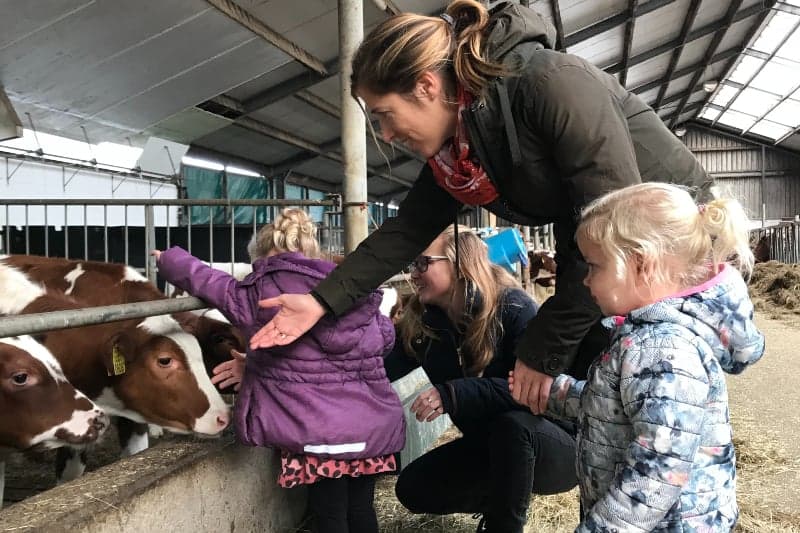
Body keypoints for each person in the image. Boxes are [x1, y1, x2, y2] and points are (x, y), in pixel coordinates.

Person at [249, 0, 714, 419]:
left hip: (668, 255)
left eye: (384, 114)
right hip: (613, 271)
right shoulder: (463, 151)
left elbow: (611, 233)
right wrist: (319, 301)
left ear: (426, 86)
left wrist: (541, 351)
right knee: (607, 400)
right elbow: (407, 230)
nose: (385, 135)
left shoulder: (550, 86)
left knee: (657, 403)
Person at [508, 183, 765, 531]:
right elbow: (620, 407)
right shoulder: (644, 337)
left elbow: (658, 468)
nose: (585, 281)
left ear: (642, 265)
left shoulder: (662, 350)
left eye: (595, 266)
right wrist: (559, 393)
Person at [152, 208, 406, 533]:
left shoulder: (258, 293)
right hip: (370, 428)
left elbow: (205, 279)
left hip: (318, 434)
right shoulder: (347, 290)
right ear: (314, 252)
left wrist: (167, 259)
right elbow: (383, 340)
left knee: (329, 513)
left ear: (260, 254)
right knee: (360, 507)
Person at [384, 226, 578, 533]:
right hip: (488, 447)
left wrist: (453, 394)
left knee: (512, 426)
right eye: (411, 265)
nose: (413, 274)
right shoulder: (427, 324)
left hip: (551, 445)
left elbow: (534, 394)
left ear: (460, 264)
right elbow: (385, 366)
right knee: (412, 487)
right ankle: (500, 500)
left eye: (422, 263)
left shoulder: (514, 309)